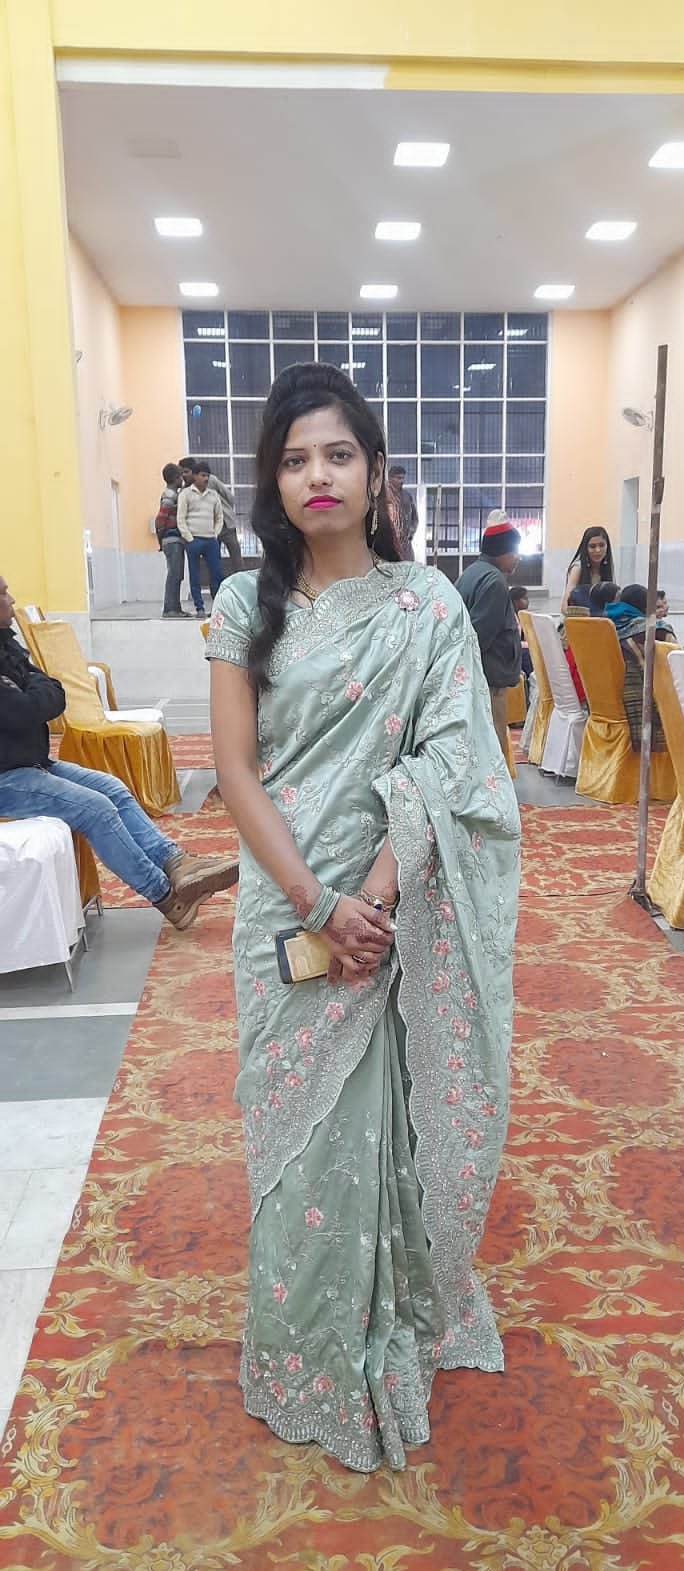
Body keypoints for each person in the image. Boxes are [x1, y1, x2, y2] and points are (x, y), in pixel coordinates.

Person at [206, 362, 520, 1473]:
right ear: (273, 482)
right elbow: (235, 773)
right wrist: (317, 902)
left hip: (393, 912)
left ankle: (393, 1313)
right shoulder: (242, 604)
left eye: (338, 453)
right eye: (294, 459)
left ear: (376, 469)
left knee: (388, 1130)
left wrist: (373, 900)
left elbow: (455, 762)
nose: (318, 475)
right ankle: (304, 1346)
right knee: (295, 1143)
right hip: (287, 908)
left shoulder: (427, 604)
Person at [0, 576, 238, 927]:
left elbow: (53, 692)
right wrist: (34, 693)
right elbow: (25, 710)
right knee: (95, 809)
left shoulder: (6, 646)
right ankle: (168, 897)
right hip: (7, 778)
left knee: (113, 788)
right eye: (3, 593)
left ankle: (176, 863)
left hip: (31, 763)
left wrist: (32, 691)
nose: (12, 599)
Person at [455, 511, 523, 750]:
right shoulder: (494, 582)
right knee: (492, 746)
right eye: (514, 551)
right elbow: (479, 636)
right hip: (488, 681)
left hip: (477, 678)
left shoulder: (472, 572)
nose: (517, 558)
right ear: (501, 551)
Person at [606, 583, 675, 751]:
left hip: (613, 707)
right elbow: (677, 665)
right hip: (651, 709)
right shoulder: (655, 630)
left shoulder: (606, 626)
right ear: (646, 606)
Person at [177, 460, 225, 616]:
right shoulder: (185, 494)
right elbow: (181, 519)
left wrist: (215, 534)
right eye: (203, 475)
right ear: (195, 476)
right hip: (194, 541)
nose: (206, 479)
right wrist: (189, 538)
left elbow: (219, 517)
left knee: (217, 574)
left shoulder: (213, 495)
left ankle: (218, 608)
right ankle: (200, 608)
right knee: (195, 575)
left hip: (211, 540)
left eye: (207, 476)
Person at [179, 456, 242, 572]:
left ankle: (241, 580)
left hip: (226, 525)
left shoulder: (210, 480)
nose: (183, 475)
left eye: (186, 472)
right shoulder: (185, 491)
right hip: (208, 531)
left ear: (194, 472)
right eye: (181, 472)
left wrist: (226, 511)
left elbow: (229, 496)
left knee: (236, 559)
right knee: (215, 562)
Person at [155, 464, 191, 618]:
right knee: (174, 574)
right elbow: (160, 519)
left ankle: (176, 608)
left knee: (177, 574)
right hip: (172, 539)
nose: (182, 479)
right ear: (176, 478)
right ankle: (170, 609)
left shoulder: (175, 495)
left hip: (175, 539)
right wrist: (161, 538)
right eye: (180, 477)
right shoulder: (169, 496)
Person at [561, 526, 615, 615]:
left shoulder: (606, 568)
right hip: (577, 619)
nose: (598, 550)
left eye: (602, 545)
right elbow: (565, 607)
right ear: (585, 548)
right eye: (592, 546)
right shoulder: (577, 568)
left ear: (607, 546)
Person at [387, 464, 418, 559]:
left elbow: (415, 518)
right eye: (399, 478)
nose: (402, 481)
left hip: (405, 545)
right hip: (388, 544)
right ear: (390, 478)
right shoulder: (383, 496)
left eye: (403, 478)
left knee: (408, 565)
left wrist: (410, 533)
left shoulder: (407, 496)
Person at [509, 584, 532, 679]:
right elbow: (514, 642)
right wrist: (530, 644)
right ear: (516, 601)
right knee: (527, 654)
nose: (528, 601)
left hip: (520, 648)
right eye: (525, 599)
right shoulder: (510, 618)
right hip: (511, 650)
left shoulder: (523, 616)